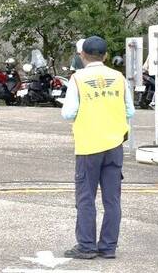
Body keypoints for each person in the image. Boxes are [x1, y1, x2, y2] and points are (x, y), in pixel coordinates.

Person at [61, 36, 135, 260]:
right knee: (112, 199)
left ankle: (86, 246)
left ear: (82, 55)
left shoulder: (78, 79)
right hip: (114, 146)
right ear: (105, 55)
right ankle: (108, 247)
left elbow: (68, 113)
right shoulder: (119, 77)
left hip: (88, 146)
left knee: (86, 197)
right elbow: (130, 111)